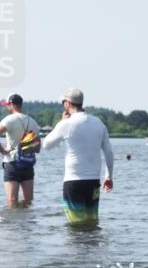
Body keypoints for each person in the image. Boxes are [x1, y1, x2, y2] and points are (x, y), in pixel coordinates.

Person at [39, 88, 113, 226]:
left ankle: (78, 248)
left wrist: (59, 123)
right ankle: (93, 247)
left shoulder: (66, 124)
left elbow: (47, 145)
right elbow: (108, 152)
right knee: (92, 222)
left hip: (73, 182)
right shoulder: (98, 122)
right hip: (93, 181)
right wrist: (109, 176)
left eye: (63, 102)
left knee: (76, 225)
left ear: (68, 103)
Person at [0, 93, 41, 208]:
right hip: (28, 163)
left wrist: (3, 151)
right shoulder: (32, 121)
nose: (6, 107)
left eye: (7, 105)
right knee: (28, 201)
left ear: (12, 104)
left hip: (12, 163)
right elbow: (38, 148)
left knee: (12, 201)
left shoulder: (8, 120)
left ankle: (14, 225)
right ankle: (26, 225)